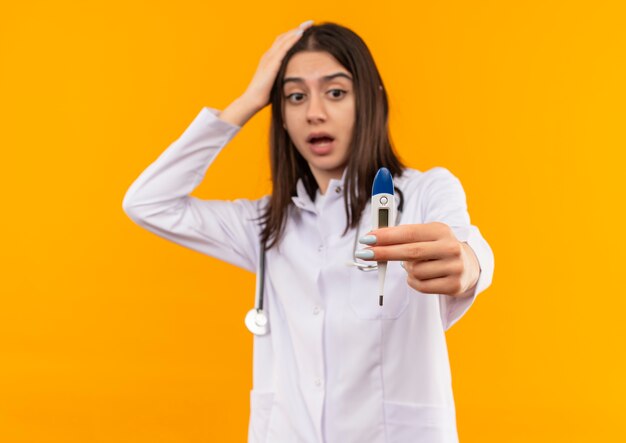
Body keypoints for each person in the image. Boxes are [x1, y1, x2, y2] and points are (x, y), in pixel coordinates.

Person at [122, 20, 494, 443]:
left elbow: (465, 247)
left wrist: (469, 264)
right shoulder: (266, 225)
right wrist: (246, 101)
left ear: (368, 102)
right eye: (295, 97)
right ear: (279, 115)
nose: (314, 112)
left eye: (335, 92)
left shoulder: (424, 191)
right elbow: (147, 202)